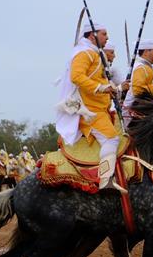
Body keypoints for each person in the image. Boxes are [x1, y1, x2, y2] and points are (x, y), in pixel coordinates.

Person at [55, 23, 129, 194]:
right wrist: (100, 88)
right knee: (111, 139)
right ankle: (105, 179)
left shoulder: (94, 54)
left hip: (100, 109)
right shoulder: (85, 53)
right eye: (104, 34)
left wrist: (113, 89)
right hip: (89, 111)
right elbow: (76, 76)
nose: (107, 37)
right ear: (92, 35)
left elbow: (99, 82)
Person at [124, 39, 153, 115]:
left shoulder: (144, 67)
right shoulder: (141, 68)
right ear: (146, 52)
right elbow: (138, 90)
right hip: (134, 111)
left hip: (139, 109)